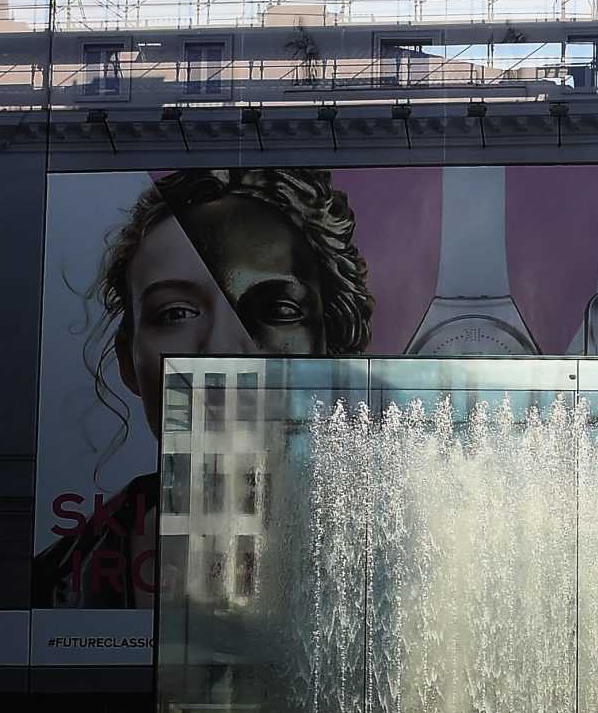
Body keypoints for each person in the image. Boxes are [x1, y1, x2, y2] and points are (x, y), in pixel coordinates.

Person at [32, 168, 379, 607]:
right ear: (128, 359)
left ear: (334, 345)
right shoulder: (56, 584)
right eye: (177, 313)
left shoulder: (401, 559)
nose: (220, 349)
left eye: (277, 308)